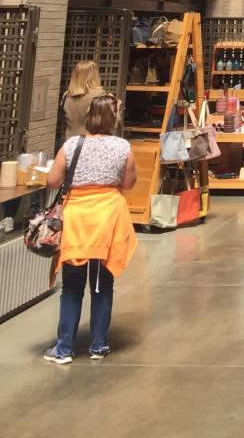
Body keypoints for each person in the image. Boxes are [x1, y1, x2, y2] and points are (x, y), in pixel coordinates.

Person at [44, 93, 137, 363]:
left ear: (89, 118)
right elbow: (129, 183)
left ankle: (63, 349)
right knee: (102, 284)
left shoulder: (72, 145)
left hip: (77, 220)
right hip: (108, 219)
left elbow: (52, 181)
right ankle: (98, 345)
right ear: (114, 119)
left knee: (72, 287)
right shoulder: (123, 147)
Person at [62, 60, 105, 139]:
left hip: (70, 142)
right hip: (90, 143)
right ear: (94, 76)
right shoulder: (100, 95)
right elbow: (106, 123)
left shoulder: (66, 95)